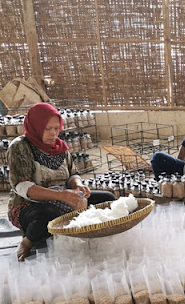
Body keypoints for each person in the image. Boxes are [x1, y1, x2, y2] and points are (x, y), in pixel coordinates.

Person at [7, 103, 115, 261]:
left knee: (108, 199)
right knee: (47, 217)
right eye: (47, 128)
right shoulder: (20, 147)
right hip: (30, 203)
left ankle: (90, 233)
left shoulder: (60, 147)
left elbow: (73, 174)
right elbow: (22, 186)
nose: (53, 133)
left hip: (65, 197)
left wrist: (77, 185)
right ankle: (27, 241)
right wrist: (60, 195)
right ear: (36, 126)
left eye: (56, 128)